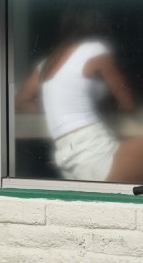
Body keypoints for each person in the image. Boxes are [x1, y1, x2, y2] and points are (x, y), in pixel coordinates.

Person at [15, 9, 134, 182]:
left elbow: (20, 102)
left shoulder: (47, 63)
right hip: (92, 145)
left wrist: (58, 108)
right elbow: (128, 103)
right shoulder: (96, 49)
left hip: (65, 151)